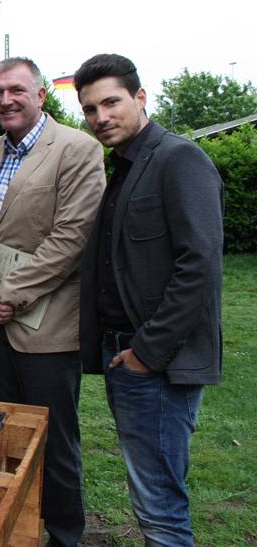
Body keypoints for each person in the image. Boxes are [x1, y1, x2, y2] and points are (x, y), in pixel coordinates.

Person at [0, 57, 105, 546]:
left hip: (46, 327)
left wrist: (10, 296)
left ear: (41, 95)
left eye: (16, 90)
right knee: (3, 435)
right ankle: (11, 529)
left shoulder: (77, 149)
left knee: (53, 441)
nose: (6, 100)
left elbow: (71, 239)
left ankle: (63, 535)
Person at [76, 54, 223, 546]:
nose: (101, 117)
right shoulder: (125, 165)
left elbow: (199, 267)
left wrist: (146, 354)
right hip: (128, 358)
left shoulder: (178, 158)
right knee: (152, 498)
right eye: (90, 109)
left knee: (160, 507)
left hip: (157, 366)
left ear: (140, 98)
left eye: (111, 102)